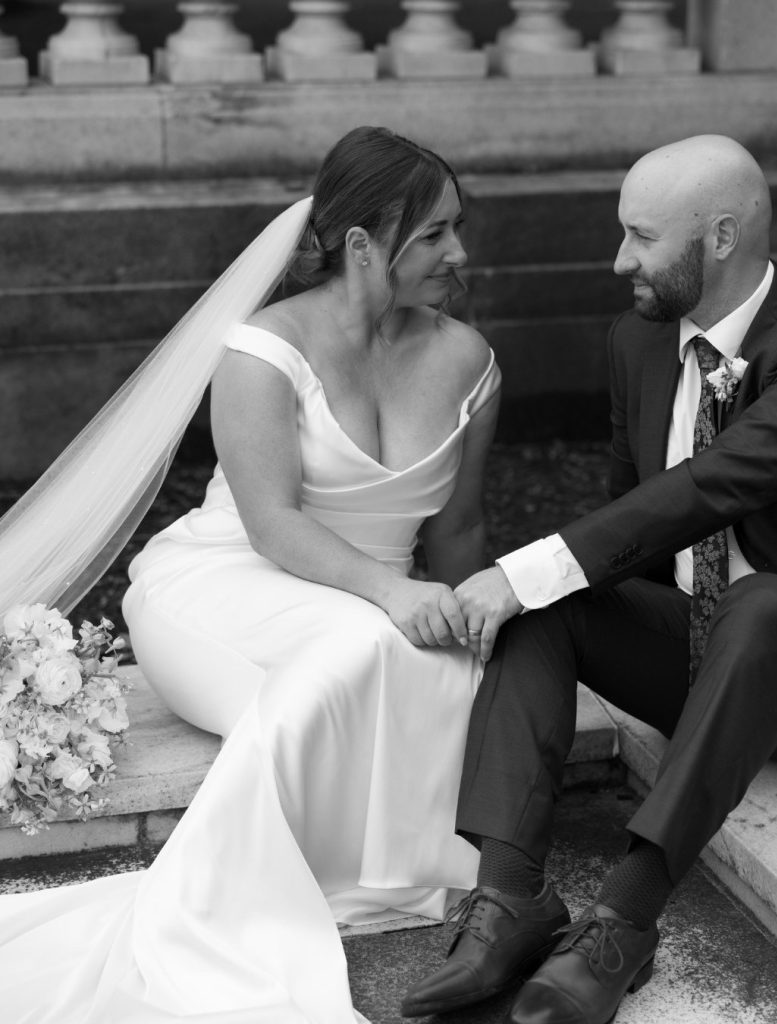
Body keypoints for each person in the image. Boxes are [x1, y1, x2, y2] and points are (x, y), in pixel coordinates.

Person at [0, 126, 501, 1023]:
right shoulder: (263, 352)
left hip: (380, 605)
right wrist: (394, 593)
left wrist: (482, 621)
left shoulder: (468, 360)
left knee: (432, 665)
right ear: (361, 245)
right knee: (363, 644)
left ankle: (379, 873)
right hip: (228, 582)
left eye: (455, 228)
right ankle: (215, 908)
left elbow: (459, 527)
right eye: (432, 235)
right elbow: (270, 523)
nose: (457, 254)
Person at [401, 134, 777, 1024]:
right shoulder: (636, 340)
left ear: (718, 237)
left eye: (640, 237)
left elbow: (713, 485)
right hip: (700, 656)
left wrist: (523, 566)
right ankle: (511, 895)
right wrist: (532, 583)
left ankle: (625, 921)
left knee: (763, 601)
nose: (618, 259)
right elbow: (629, 524)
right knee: (547, 603)